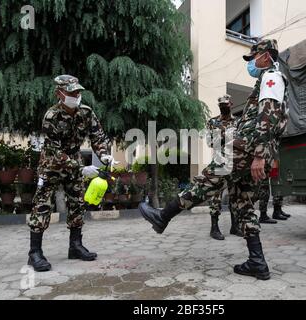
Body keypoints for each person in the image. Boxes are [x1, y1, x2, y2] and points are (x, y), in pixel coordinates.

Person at [138, 39, 289, 280]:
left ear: (266, 56)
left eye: (253, 58)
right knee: (244, 204)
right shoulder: (267, 79)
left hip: (245, 150)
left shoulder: (272, 77)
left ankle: (162, 216)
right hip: (250, 151)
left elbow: (268, 115)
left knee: (204, 182)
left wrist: (259, 154)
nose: (251, 63)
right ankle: (257, 262)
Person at [27, 75, 114, 272]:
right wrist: (81, 168)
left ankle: (75, 246)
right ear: (59, 93)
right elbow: (55, 152)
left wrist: (104, 155)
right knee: (42, 205)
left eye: (78, 92)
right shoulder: (51, 117)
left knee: (77, 203)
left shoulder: (86, 113)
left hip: (73, 163)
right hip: (51, 165)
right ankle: (34, 253)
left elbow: (98, 136)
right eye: (72, 92)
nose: (76, 95)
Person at [206, 95, 243, 240]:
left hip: (234, 162)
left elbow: (241, 140)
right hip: (219, 162)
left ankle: (235, 226)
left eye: (226, 104)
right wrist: (224, 136)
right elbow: (209, 142)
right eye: (221, 105)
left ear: (231, 104)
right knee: (216, 195)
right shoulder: (212, 122)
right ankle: (214, 228)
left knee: (235, 194)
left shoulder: (238, 122)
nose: (224, 106)